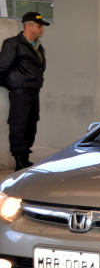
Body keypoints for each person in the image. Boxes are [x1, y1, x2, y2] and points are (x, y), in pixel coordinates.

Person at [0, 12, 51, 170]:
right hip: (20, 91)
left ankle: (25, 156)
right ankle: (19, 160)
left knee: (31, 125)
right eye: (39, 26)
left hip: (33, 90)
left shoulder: (37, 45)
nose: (42, 29)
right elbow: (2, 68)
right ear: (28, 26)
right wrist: (12, 84)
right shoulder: (13, 43)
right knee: (19, 125)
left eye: (42, 26)